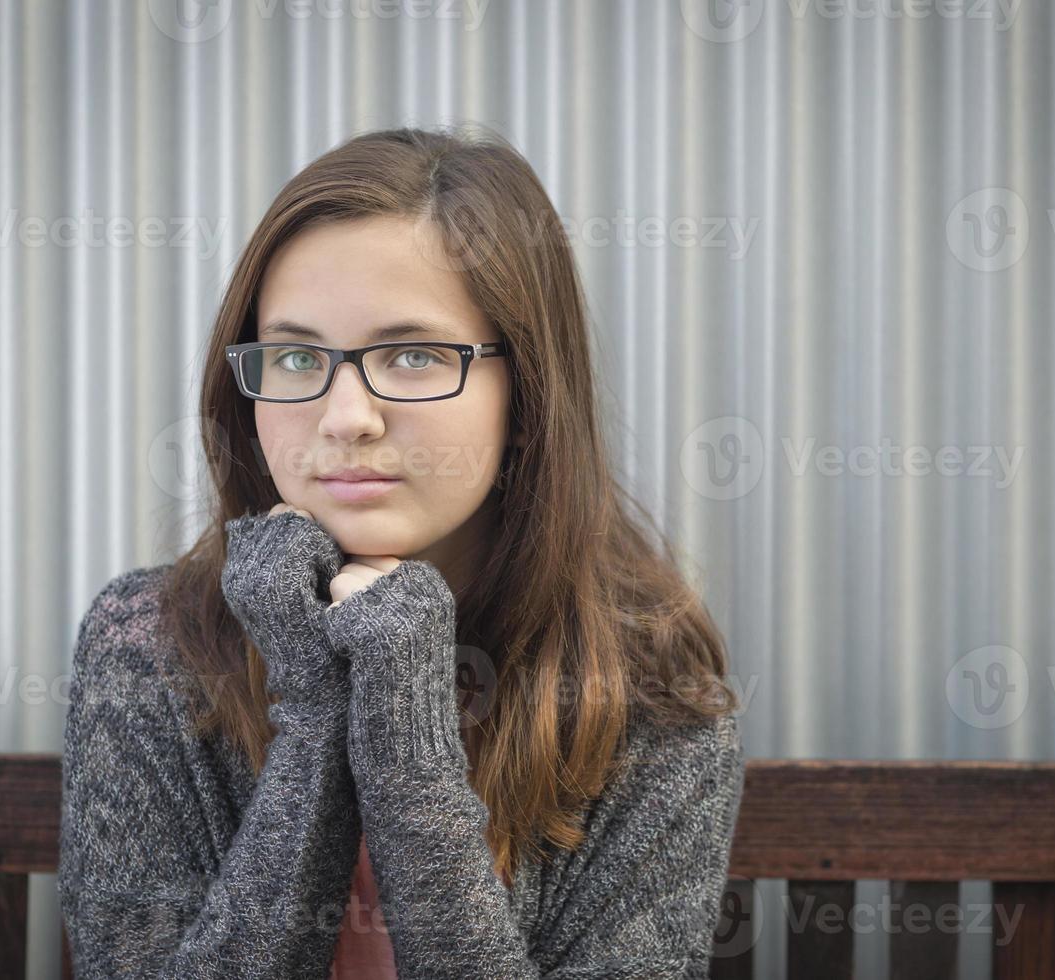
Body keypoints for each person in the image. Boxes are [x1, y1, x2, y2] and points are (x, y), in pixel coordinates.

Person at [57, 124, 745, 979]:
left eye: (414, 355)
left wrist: (408, 742)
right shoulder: (149, 645)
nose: (347, 416)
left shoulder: (649, 685)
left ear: (527, 394)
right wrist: (313, 711)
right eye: (299, 355)